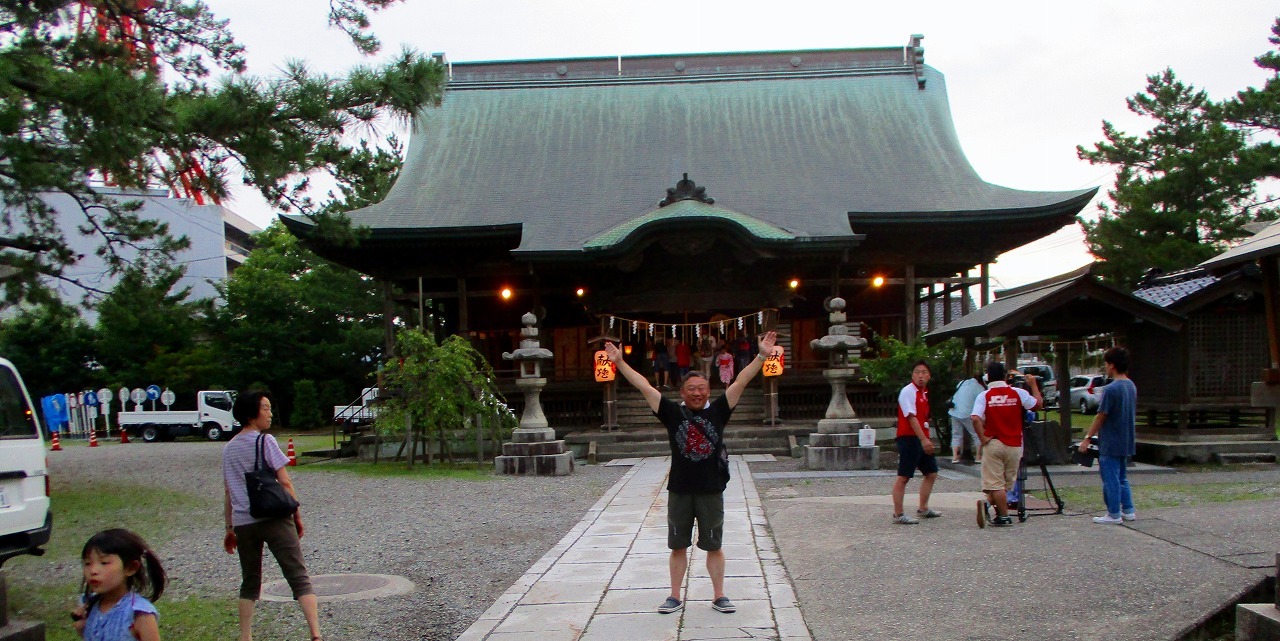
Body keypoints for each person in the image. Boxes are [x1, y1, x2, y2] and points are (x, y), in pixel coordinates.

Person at [604, 330, 778, 616]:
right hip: (680, 490)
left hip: (711, 489)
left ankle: (719, 595)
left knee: (714, 545)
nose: (697, 392)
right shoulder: (672, 413)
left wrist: (761, 355)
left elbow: (742, 380)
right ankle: (674, 595)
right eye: (691, 389)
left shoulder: (719, 411)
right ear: (682, 392)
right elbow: (645, 387)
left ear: (708, 389)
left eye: (702, 387)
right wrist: (620, 363)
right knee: (678, 546)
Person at [222, 390, 323, 641]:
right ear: (251, 414)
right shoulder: (264, 441)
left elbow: (228, 491)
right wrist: (296, 514)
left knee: (250, 581)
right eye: (265, 408)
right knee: (298, 577)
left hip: (244, 523)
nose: (269, 413)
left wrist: (229, 528)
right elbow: (284, 481)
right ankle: (315, 634)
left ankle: (245, 637)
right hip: (275, 518)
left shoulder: (228, 449)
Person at [971, 362, 1042, 528]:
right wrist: (1033, 385)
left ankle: (1002, 515)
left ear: (987, 377)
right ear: (1005, 376)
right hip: (1015, 443)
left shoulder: (984, 396)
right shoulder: (1018, 393)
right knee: (1004, 483)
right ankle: (989, 507)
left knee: (995, 484)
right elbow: (1037, 405)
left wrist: (983, 438)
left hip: (994, 442)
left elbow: (975, 418)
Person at [1078, 347, 1137, 524]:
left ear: (1112, 365)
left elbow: (1101, 415)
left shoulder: (1111, 389)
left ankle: (1113, 513)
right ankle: (1128, 509)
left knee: (1110, 478)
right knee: (1122, 477)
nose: (1105, 367)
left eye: (1106, 363)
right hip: (1126, 438)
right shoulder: (1131, 385)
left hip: (1110, 440)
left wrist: (1088, 437)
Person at [73, 528, 165, 641]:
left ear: (131, 568)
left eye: (104, 563)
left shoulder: (138, 613)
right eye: (87, 563)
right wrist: (82, 628)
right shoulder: (88, 605)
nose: (93, 571)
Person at [892, 360, 941, 524]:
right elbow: (911, 417)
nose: (921, 376)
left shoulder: (924, 393)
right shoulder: (908, 391)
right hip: (909, 437)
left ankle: (923, 507)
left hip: (921, 437)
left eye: (924, 372)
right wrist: (924, 439)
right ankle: (899, 514)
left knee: (931, 473)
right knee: (904, 476)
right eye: (917, 372)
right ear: (912, 375)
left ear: (929, 375)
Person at [948, 373, 986, 464]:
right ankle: (978, 456)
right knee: (976, 434)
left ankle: (955, 457)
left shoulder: (962, 382)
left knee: (956, 434)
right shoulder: (979, 388)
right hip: (967, 413)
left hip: (954, 411)